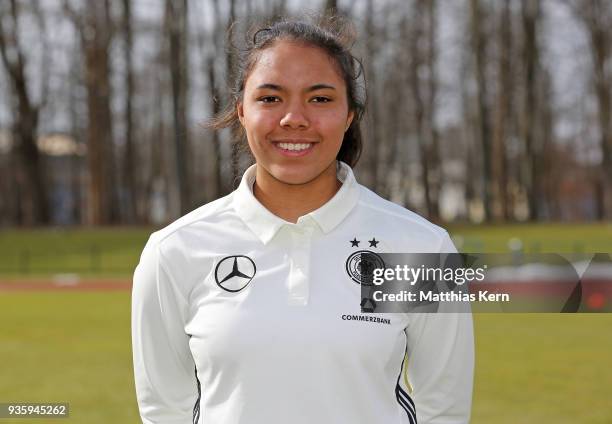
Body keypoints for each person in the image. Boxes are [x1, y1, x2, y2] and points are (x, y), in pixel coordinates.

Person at [131, 15, 474, 424]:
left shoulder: (422, 247)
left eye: (320, 99)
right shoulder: (174, 250)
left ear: (350, 116)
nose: (294, 118)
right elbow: (164, 410)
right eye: (271, 98)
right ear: (242, 111)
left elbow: (445, 407)